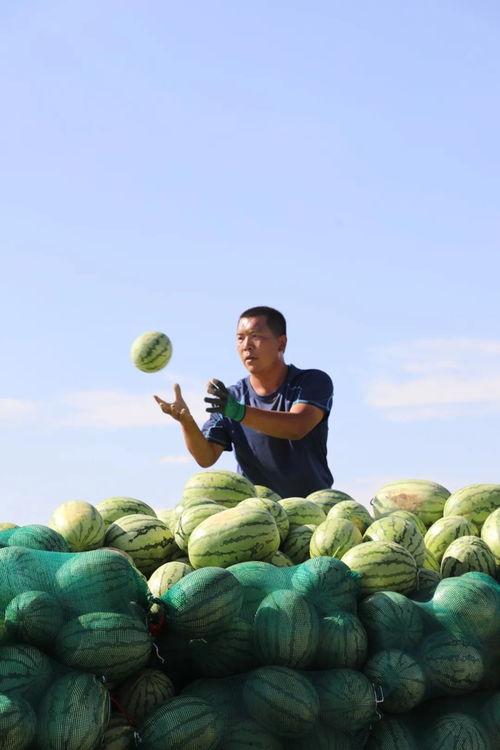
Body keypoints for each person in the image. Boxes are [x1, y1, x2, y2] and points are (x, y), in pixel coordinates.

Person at [153, 306, 334, 498]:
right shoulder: (231, 397)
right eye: (240, 338)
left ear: (281, 343)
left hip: (312, 507)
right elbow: (206, 457)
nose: (246, 345)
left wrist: (239, 412)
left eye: (256, 336)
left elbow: (297, 426)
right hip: (256, 512)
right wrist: (186, 422)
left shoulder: (311, 382)